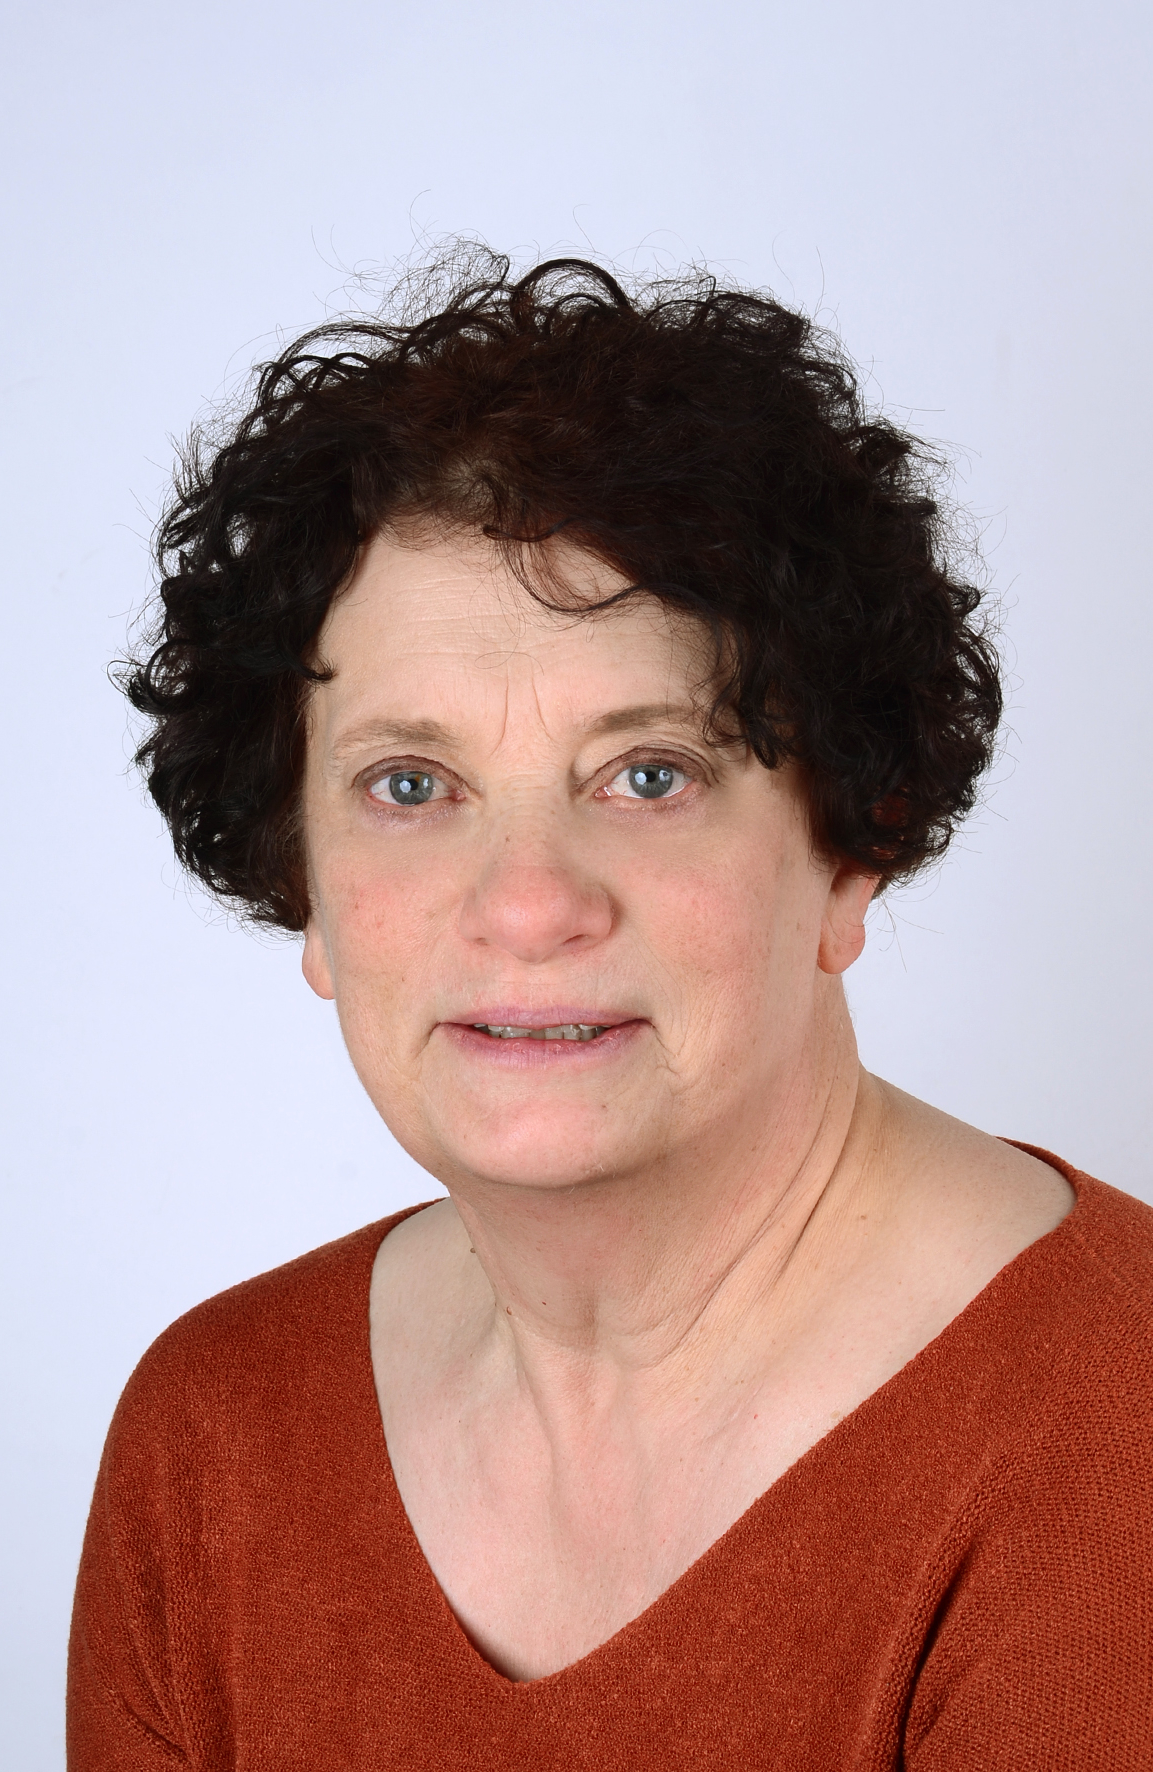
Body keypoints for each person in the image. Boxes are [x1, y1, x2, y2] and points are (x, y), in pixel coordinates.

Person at [68, 253, 1153, 1769]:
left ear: (854, 845)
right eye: (410, 786)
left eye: (648, 774)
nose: (526, 905)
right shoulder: (214, 1435)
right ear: (300, 878)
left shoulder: (1114, 1444)